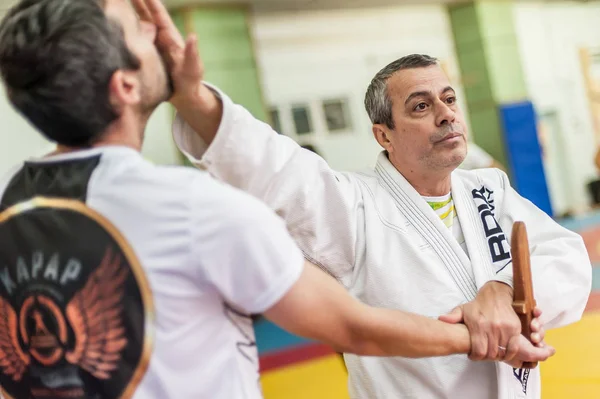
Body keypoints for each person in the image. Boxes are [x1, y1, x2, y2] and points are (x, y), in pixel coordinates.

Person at [0, 1, 554, 399]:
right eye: (139, 29)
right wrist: (482, 334)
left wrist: (501, 296)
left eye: (450, 99)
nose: (156, 27)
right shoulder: (196, 206)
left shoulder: (13, 206)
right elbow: (352, 326)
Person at [171, 43, 592, 398]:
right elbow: (273, 166)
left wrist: (505, 291)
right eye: (421, 106)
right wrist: (192, 99)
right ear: (383, 135)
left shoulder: (489, 189)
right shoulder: (352, 207)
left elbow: (568, 257)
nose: (445, 114)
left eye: (449, 99)